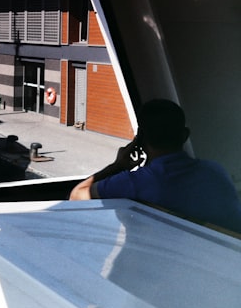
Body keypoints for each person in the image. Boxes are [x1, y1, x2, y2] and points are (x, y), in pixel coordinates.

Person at [70, 98, 241, 234]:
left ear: (141, 139)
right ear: (185, 135)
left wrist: (118, 165)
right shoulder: (216, 173)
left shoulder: (133, 183)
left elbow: (76, 196)